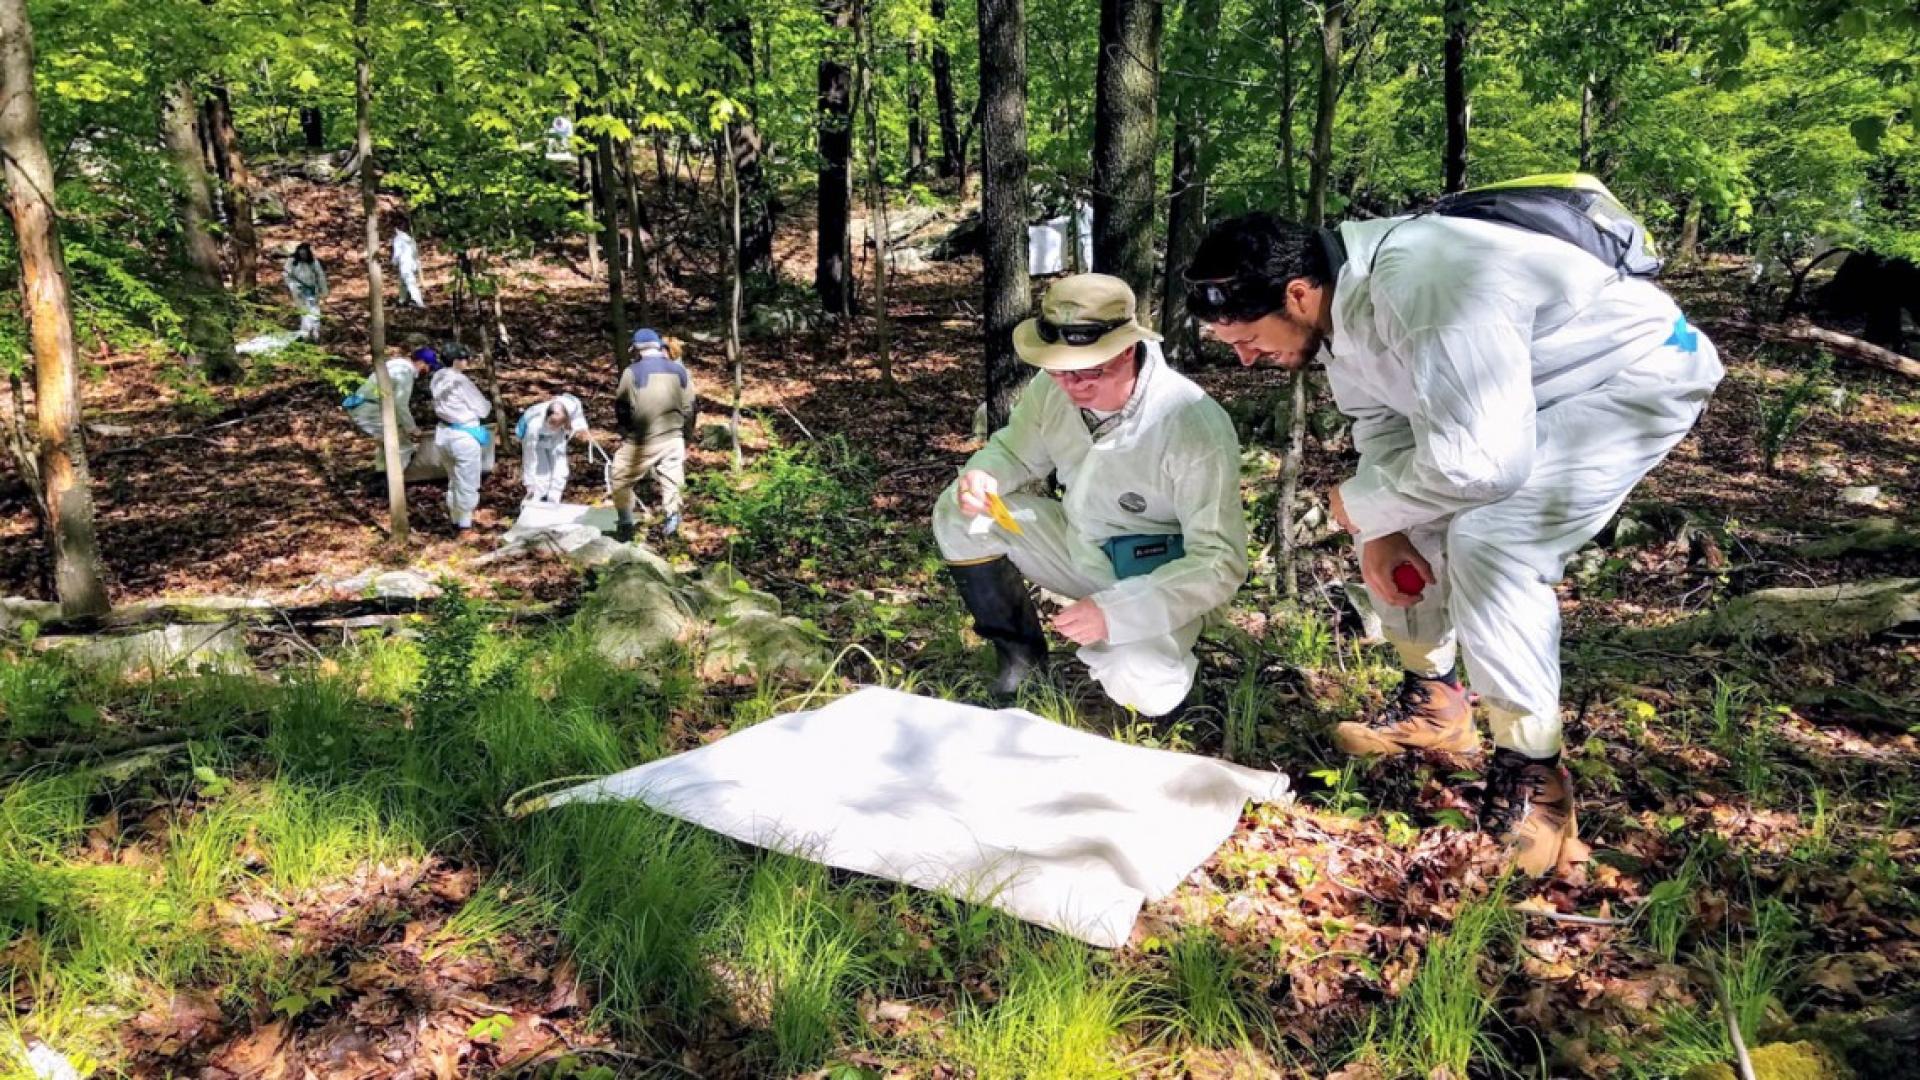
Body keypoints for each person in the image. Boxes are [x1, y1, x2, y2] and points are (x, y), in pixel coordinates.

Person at [1184, 205, 1724, 875]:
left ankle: (1536, 775)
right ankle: (1436, 703)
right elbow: (1381, 425)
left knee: (1493, 539)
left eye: (1246, 337)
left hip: (1631, 377)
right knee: (1390, 508)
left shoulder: (1424, 281)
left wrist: (1361, 507)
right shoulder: (1339, 308)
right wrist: (1378, 522)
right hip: (1519, 402)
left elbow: (1481, 464)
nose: (1243, 356)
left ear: (1296, 292)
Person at [932, 274, 1248, 718]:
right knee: (958, 514)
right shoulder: (1052, 389)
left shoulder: (1190, 423)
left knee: (1143, 682)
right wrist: (985, 475)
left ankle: (1167, 690)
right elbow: (1015, 450)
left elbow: (1219, 562)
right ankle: (1020, 662)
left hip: (1159, 577)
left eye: (1089, 371)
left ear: (1126, 349)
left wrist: (1117, 612)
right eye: (1059, 370)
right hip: (1079, 545)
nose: (1072, 385)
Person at [610, 329, 696, 541]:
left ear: (637, 349)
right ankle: (672, 523)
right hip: (674, 437)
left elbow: (622, 406)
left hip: (641, 440)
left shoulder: (632, 372)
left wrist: (626, 430)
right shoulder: (680, 371)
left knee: (620, 477)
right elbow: (690, 407)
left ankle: (625, 524)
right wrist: (684, 433)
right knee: (672, 480)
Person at [428, 346, 493, 533]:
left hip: (443, 434)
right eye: (464, 358)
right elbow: (483, 408)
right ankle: (465, 525)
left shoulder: (437, 377)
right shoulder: (460, 381)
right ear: (456, 360)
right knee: (467, 480)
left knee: (454, 479)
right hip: (463, 436)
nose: (467, 362)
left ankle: (455, 518)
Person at [342, 348, 435, 468]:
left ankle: (381, 476)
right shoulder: (405, 372)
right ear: (421, 362)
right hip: (370, 409)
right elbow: (400, 405)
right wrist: (412, 428)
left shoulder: (395, 364)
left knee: (386, 443)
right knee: (402, 446)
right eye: (428, 367)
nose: (427, 371)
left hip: (362, 405)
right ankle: (396, 482)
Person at [515, 393, 589, 503]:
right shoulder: (534, 426)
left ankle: (554, 498)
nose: (555, 426)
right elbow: (529, 458)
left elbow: (575, 404)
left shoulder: (570, 406)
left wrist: (579, 426)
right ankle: (536, 499)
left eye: (559, 423)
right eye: (553, 423)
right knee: (542, 472)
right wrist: (529, 483)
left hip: (556, 437)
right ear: (547, 417)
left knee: (561, 467)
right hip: (536, 440)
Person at [283, 243, 328, 341]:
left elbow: (320, 276)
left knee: (315, 313)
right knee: (304, 313)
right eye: (301, 253)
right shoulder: (291, 262)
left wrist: (324, 292)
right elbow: (287, 276)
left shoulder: (313, 262)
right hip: (299, 292)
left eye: (305, 254)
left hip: (312, 291)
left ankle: (316, 334)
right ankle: (305, 335)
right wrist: (294, 286)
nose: (303, 256)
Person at [392, 223, 425, 309]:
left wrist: (393, 262)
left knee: (410, 282)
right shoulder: (410, 239)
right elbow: (415, 253)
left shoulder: (398, 239)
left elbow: (397, 253)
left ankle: (418, 301)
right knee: (403, 282)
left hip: (404, 263)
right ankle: (401, 300)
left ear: (396, 229)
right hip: (411, 263)